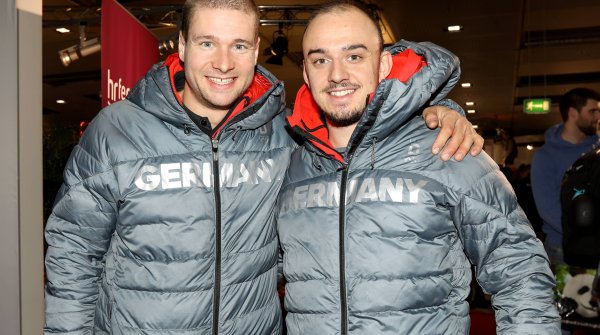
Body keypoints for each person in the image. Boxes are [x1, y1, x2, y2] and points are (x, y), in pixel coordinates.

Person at [43, 0, 483, 334]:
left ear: (256, 49)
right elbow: (71, 255)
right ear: (180, 46)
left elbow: (361, 120)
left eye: (238, 44)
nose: (222, 62)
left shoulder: (282, 132)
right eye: (206, 43)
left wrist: (439, 109)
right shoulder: (116, 131)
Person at [276, 2, 560, 334]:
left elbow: (519, 270)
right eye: (320, 60)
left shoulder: (447, 146)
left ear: (382, 64)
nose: (337, 74)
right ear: (307, 74)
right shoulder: (292, 165)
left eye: (354, 56)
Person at [531, 87, 600, 268]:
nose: (598, 116)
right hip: (562, 248)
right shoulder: (545, 156)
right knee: (572, 296)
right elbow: (548, 209)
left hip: (595, 245)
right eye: (593, 111)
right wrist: (587, 235)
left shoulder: (596, 149)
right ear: (573, 113)